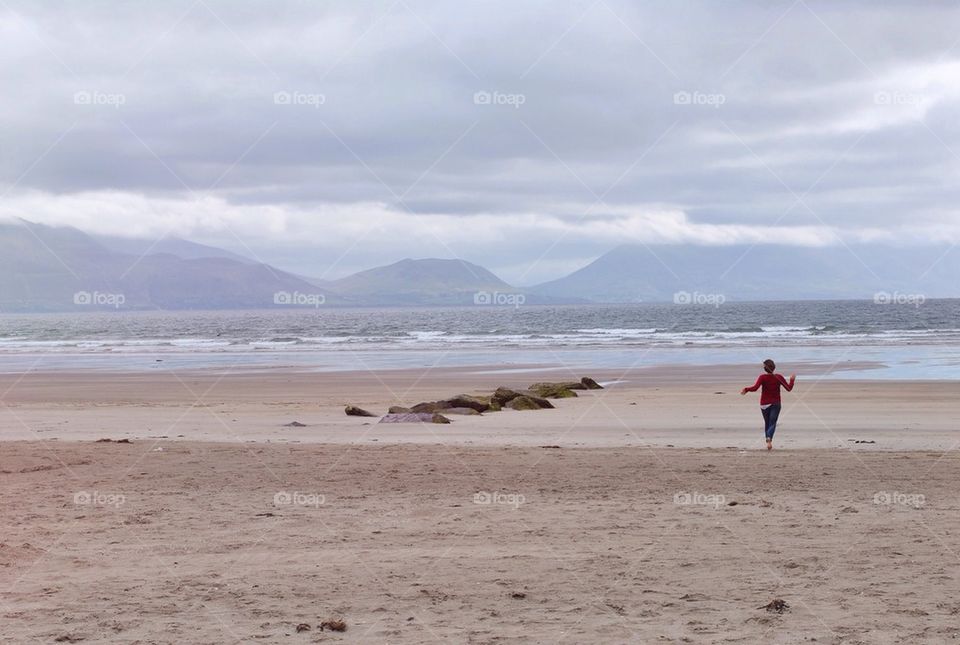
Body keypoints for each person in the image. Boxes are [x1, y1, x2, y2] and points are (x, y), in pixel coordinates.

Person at [741, 359, 796, 450]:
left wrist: (746, 389)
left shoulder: (762, 377)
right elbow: (788, 388)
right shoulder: (779, 377)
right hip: (776, 403)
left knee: (767, 423)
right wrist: (792, 380)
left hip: (764, 404)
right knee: (772, 423)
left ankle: (768, 440)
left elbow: (755, 388)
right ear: (774, 367)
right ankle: (769, 439)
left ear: (765, 369)